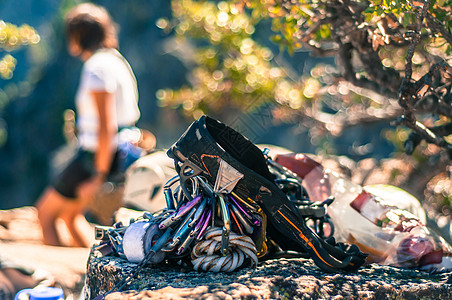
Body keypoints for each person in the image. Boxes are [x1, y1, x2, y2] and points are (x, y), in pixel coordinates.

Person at [36, 3, 145, 247]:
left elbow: (106, 125)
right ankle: (87, 269)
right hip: (121, 146)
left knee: (45, 214)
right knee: (69, 215)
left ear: (77, 37)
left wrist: (98, 176)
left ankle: (52, 281)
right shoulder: (116, 60)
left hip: (96, 153)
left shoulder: (96, 68)